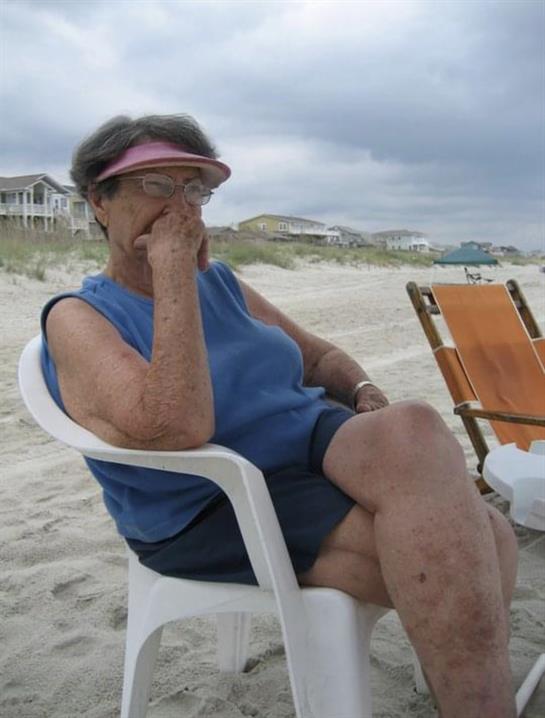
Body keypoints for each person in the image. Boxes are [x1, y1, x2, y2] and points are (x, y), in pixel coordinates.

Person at [41, 114, 518, 718]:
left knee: (415, 425)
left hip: (309, 444)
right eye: (157, 187)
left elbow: (319, 356)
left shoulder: (220, 283)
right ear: (100, 203)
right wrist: (172, 274)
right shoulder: (78, 318)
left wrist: (364, 389)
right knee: (488, 540)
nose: (181, 209)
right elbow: (179, 426)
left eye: (194, 190)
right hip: (215, 499)